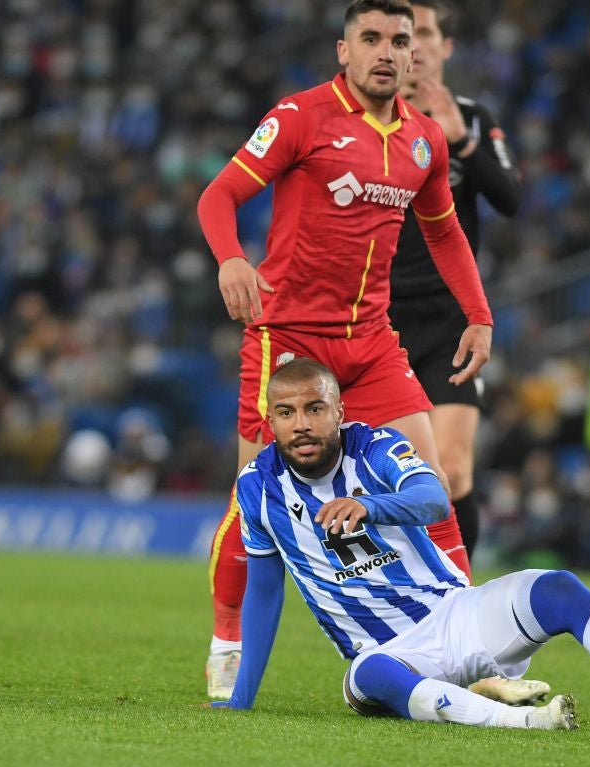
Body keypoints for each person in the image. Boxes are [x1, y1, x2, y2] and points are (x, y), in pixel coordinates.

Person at [208, 357, 590, 738]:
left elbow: (432, 499)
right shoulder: (258, 487)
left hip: (455, 614)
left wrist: (371, 506)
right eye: (286, 413)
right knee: (367, 674)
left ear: (338, 411)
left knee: (557, 588)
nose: (301, 424)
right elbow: (263, 591)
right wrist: (242, 700)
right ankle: (526, 722)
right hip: (387, 656)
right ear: (271, 421)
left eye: (313, 409)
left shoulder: (373, 447)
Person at [196, 0, 492, 700]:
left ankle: (474, 646)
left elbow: (446, 233)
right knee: (252, 507)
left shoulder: (425, 140)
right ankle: (226, 639)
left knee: (435, 489)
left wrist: (478, 315)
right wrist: (230, 259)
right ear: (343, 49)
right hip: (288, 339)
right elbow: (220, 195)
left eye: (400, 39)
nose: (389, 51)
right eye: (371, 39)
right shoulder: (301, 117)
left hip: (371, 341)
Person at [389, 0, 521, 558]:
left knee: (453, 470)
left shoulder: (471, 115)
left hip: (449, 319)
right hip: (381, 319)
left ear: (445, 46)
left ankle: (458, 604)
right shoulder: (371, 120)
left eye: (423, 33)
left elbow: (510, 199)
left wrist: (461, 140)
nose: (413, 46)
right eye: (403, 36)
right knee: (398, 477)